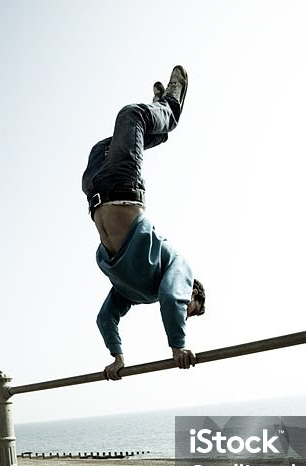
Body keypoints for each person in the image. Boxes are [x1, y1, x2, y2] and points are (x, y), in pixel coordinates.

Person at [81, 65, 205, 381]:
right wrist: (178, 346)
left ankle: (157, 129)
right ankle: (170, 108)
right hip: (123, 188)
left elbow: (105, 318)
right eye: (191, 308)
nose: (185, 313)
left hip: (96, 190)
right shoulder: (180, 268)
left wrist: (117, 357)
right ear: (191, 292)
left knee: (101, 147)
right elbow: (171, 297)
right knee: (131, 115)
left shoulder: (134, 291)